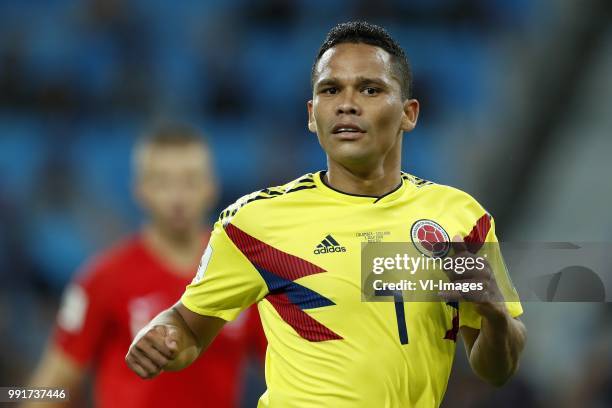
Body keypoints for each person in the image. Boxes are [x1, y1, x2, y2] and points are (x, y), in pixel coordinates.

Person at [125, 22, 526, 407]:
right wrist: (163, 338)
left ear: (409, 113)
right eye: (331, 90)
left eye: (370, 89)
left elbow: (496, 371)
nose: (348, 104)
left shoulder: (461, 217)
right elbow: (188, 325)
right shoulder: (256, 222)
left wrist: (493, 314)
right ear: (312, 113)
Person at [27, 124, 266, 408]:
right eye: (163, 182)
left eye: (190, 181)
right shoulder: (104, 278)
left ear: (211, 186)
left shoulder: (241, 276)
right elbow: (51, 387)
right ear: (140, 189)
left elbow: (285, 372)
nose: (177, 197)